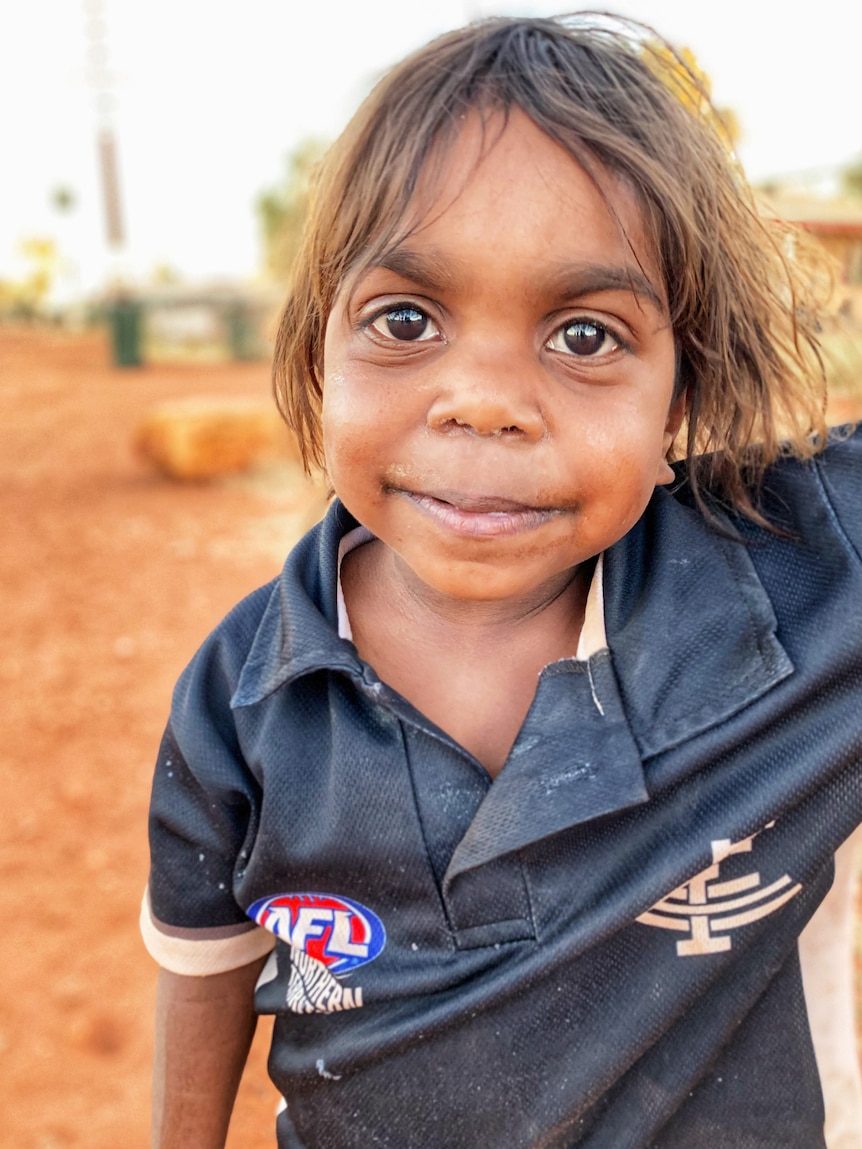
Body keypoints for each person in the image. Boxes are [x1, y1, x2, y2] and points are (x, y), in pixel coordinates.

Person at [141, 14, 862, 1148]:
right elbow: (205, 969)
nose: (482, 399)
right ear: (317, 348)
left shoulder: (809, 584)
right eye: (405, 319)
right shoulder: (241, 696)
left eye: (583, 335)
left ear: (679, 392)